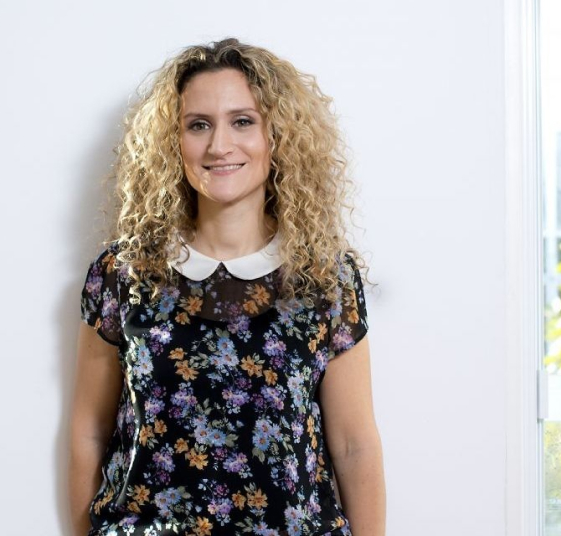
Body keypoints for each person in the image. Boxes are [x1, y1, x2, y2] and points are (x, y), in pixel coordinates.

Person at [69, 38, 385, 536]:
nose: (219, 145)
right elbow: (89, 430)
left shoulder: (325, 278)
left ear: (277, 136)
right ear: (173, 142)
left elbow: (354, 445)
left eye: (243, 121)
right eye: (198, 125)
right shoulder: (124, 273)